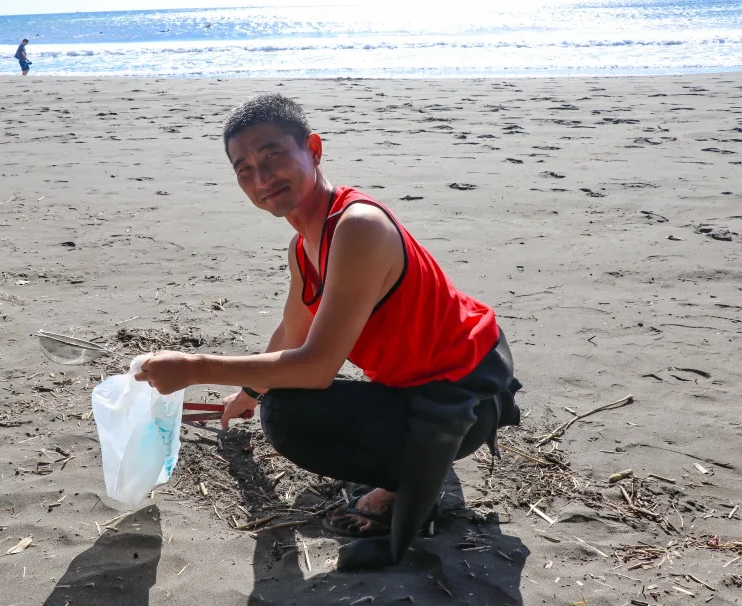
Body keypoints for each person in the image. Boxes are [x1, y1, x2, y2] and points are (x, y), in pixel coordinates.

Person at [135, 93, 522, 571]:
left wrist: (195, 368)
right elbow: (293, 332)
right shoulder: (304, 246)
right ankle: (402, 459)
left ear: (313, 148)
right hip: (421, 380)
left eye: (273, 157)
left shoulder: (357, 226)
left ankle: (406, 482)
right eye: (244, 169)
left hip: (464, 392)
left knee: (290, 415)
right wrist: (247, 393)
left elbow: (316, 367)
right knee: (275, 395)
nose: (262, 179)